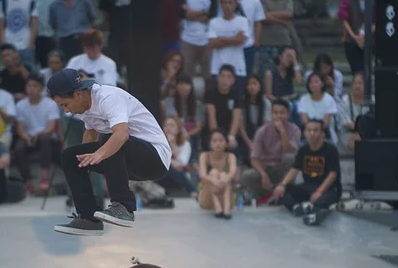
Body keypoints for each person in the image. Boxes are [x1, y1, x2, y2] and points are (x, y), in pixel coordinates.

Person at [48, 69, 171, 236]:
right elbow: (90, 134)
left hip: (155, 158)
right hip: (127, 160)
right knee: (71, 156)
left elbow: (122, 134)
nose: (67, 111)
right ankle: (88, 218)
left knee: (109, 138)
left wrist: (99, 155)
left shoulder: (108, 97)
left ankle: (124, 207)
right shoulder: (85, 108)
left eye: (65, 105)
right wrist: (85, 163)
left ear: (77, 95)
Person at [272, 119, 341, 218]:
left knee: (321, 200)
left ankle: (315, 209)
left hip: (328, 189)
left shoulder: (331, 150)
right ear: (305, 133)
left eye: (315, 130)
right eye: (309, 130)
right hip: (308, 187)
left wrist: (319, 192)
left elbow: (333, 175)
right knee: (281, 191)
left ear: (322, 134)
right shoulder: (303, 150)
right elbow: (294, 169)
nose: (312, 133)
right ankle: (296, 207)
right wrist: (282, 185)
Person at [240, 99, 301, 200]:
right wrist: (263, 174)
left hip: (283, 169)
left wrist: (283, 132)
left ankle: (282, 189)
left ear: (288, 114)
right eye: (275, 113)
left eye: (282, 113)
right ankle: (269, 194)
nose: (278, 116)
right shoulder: (262, 131)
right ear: (271, 114)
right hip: (266, 169)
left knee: (290, 158)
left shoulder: (295, 130)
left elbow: (289, 152)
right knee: (247, 175)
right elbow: (254, 158)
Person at [15, 72, 60, 194]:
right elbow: (20, 128)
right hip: (29, 136)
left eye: (35, 86)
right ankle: (28, 181)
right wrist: (27, 137)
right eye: (29, 86)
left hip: (46, 136)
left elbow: (51, 127)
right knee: (19, 147)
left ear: (41, 88)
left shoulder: (50, 104)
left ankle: (44, 178)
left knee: (44, 140)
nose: (31, 89)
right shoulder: (20, 105)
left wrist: (38, 134)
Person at [198, 128, 236, 218]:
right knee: (214, 172)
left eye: (221, 140)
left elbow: (233, 172)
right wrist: (214, 181)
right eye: (214, 141)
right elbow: (202, 175)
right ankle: (217, 207)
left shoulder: (230, 156)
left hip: (225, 193)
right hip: (208, 198)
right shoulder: (205, 156)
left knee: (223, 174)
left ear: (226, 143)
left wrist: (225, 179)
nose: (218, 143)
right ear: (210, 143)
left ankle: (226, 208)